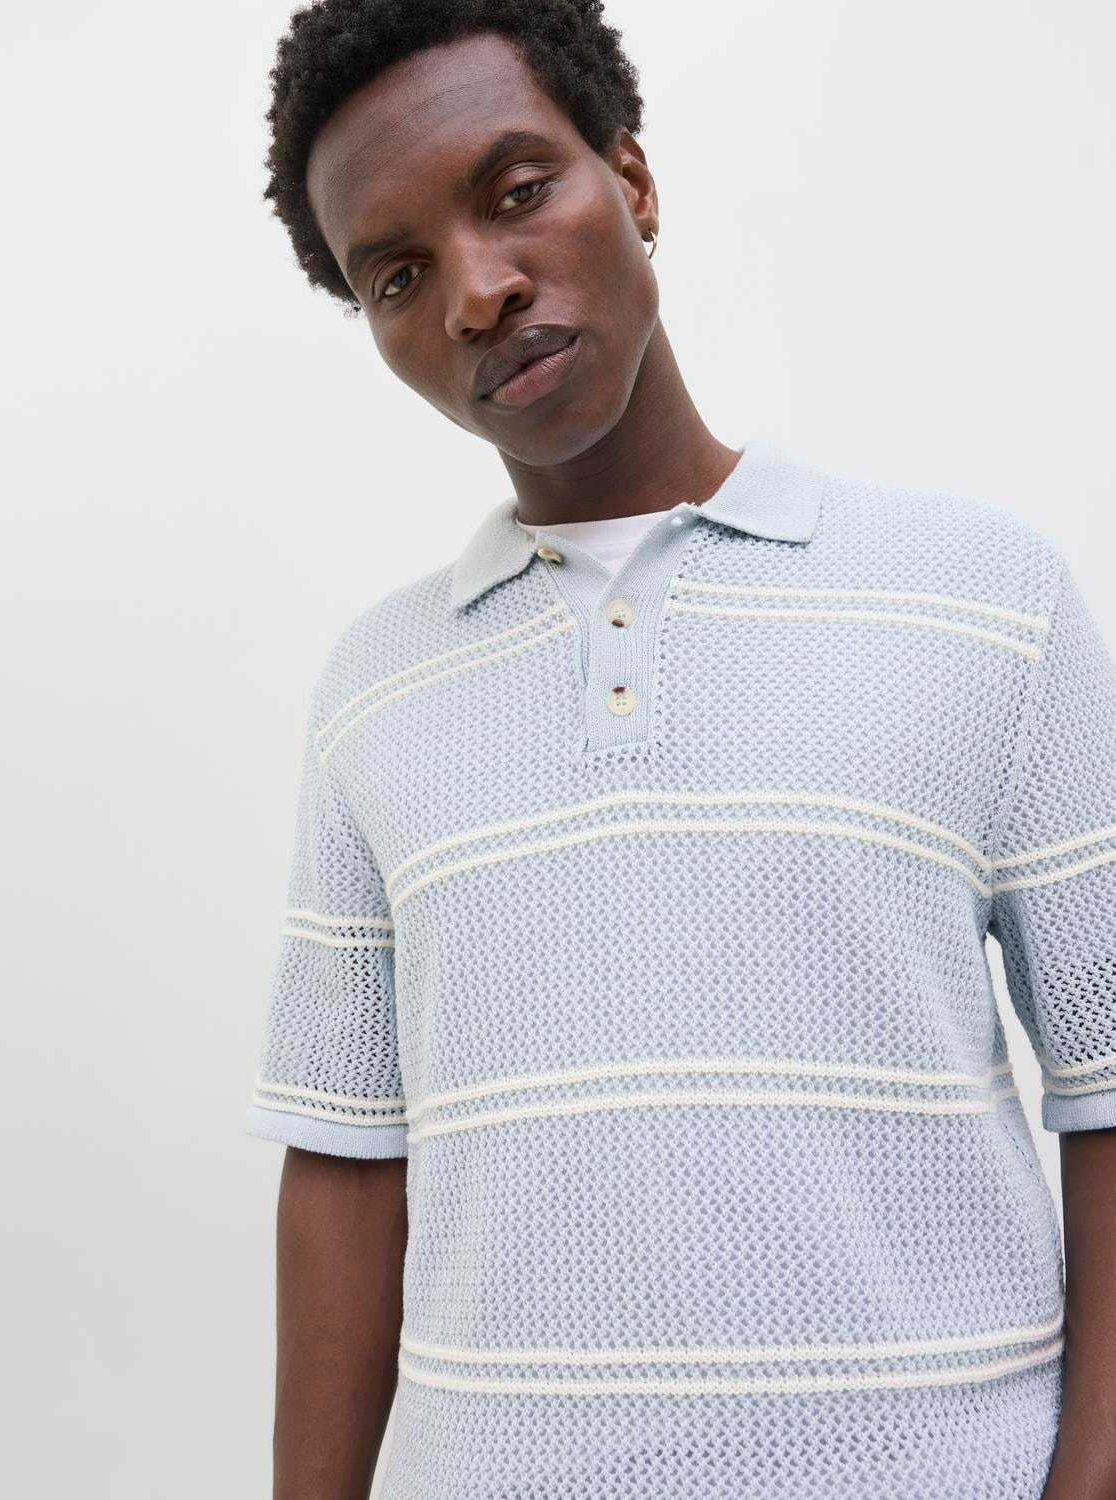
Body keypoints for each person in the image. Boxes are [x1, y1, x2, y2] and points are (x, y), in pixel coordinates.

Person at [242, 3, 1116, 1496]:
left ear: (633, 180)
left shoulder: (988, 600)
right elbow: (343, 1159)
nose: (478, 291)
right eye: (397, 275)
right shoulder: (375, 687)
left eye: (518, 190)